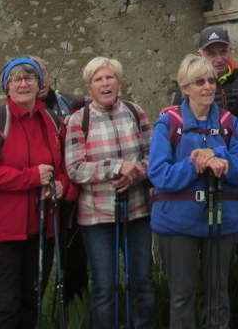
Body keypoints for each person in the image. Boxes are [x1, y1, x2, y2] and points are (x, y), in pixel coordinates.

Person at [0, 57, 76, 328]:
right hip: (0, 233)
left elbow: (64, 166)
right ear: (7, 87)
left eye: (30, 78)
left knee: (32, 303)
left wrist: (62, 185)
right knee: (3, 307)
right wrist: (30, 178)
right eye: (17, 79)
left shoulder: (52, 122)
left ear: (39, 84)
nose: (24, 84)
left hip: (41, 229)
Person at [149, 54, 238, 329]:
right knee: (182, 297)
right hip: (177, 222)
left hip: (223, 219)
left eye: (210, 81)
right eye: (199, 82)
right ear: (185, 88)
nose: (207, 87)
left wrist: (218, 154)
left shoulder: (230, 123)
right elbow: (158, 173)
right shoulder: (168, 124)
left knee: (218, 295)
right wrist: (196, 164)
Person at [65, 56, 155, 329]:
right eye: (98, 79)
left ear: (119, 81)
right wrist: (116, 168)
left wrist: (138, 171)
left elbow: (154, 155)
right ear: (89, 87)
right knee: (105, 286)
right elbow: (75, 168)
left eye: (110, 77)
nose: (105, 84)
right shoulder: (79, 121)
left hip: (138, 211)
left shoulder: (135, 111)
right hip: (97, 217)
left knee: (142, 282)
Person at [34, 56, 89, 307]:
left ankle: (74, 313)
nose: (41, 79)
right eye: (35, 74)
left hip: (72, 194)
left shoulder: (68, 102)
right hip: (40, 200)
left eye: (43, 72)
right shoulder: (19, 110)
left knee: (75, 262)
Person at [170, 26, 238, 114]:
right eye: (211, 54)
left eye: (223, 52)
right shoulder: (188, 86)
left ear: (230, 51)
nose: (219, 59)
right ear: (200, 55)